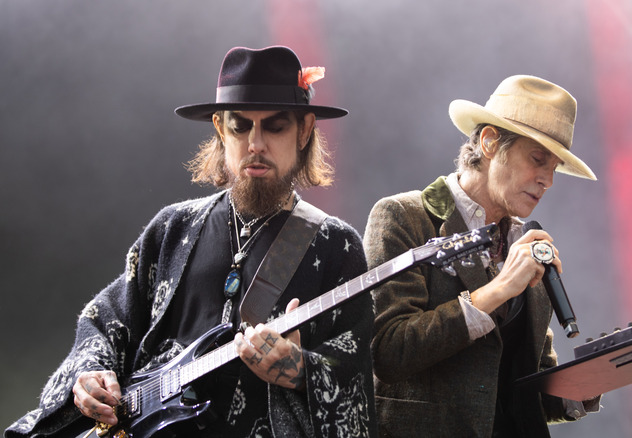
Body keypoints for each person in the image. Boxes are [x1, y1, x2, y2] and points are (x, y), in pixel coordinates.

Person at [5, 46, 376, 438]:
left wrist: (302, 371)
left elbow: (357, 382)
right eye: (240, 126)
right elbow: (105, 321)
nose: (255, 144)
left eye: (274, 126)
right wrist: (90, 375)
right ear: (219, 128)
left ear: (303, 131)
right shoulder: (172, 228)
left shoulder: (338, 247)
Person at [364, 75, 600, 437]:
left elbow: (521, 387)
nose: (547, 180)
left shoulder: (525, 245)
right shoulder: (404, 216)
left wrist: (587, 386)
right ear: (490, 142)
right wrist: (497, 290)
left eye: (554, 169)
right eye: (538, 159)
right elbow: (388, 352)